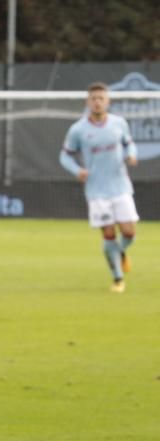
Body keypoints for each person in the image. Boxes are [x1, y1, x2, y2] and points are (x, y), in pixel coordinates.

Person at [60, 82, 139, 293]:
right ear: (88, 102)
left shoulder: (119, 123)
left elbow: (129, 143)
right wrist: (77, 170)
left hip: (121, 186)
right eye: (93, 98)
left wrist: (132, 155)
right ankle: (117, 278)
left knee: (129, 232)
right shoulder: (78, 129)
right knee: (109, 234)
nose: (97, 102)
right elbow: (64, 155)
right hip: (97, 191)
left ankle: (120, 253)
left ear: (108, 101)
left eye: (101, 98)